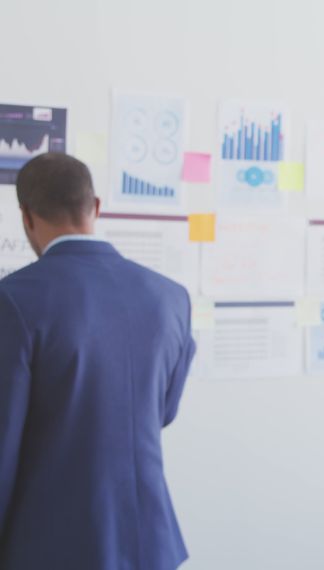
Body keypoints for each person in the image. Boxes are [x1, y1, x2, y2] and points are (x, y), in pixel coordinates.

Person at [0, 153, 196, 569]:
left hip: (48, 544)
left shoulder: (14, 300)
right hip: (150, 542)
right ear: (97, 207)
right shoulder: (170, 297)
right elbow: (163, 411)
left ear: (26, 216)